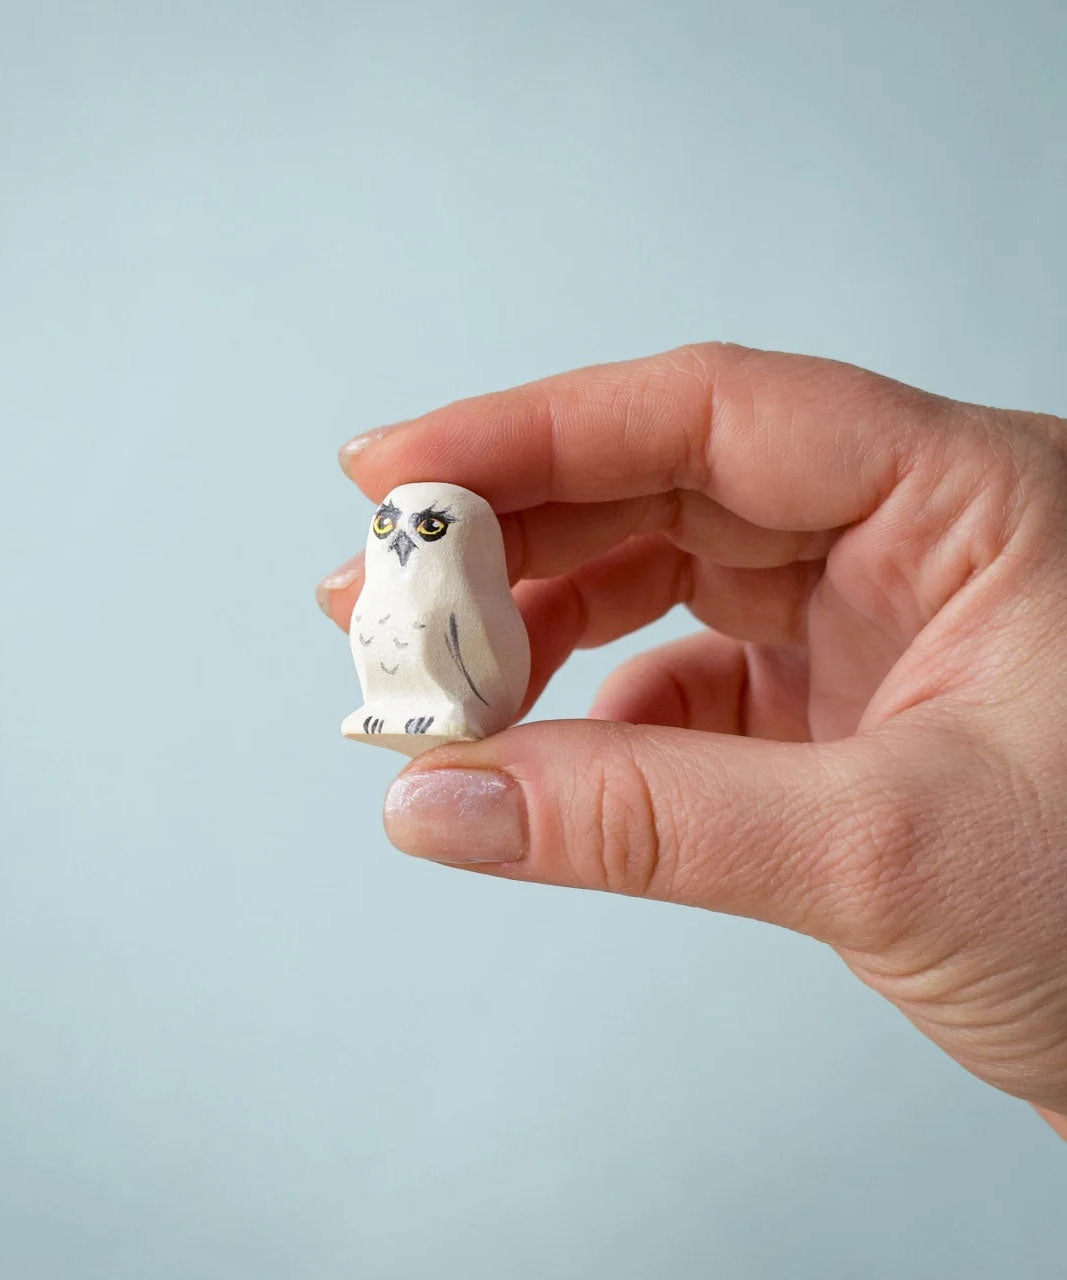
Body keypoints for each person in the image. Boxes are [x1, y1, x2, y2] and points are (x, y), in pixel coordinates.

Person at [316, 343, 1067, 1140]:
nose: (402, 540)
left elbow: (471, 655)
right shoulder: (389, 594)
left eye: (428, 528)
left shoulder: (471, 599)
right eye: (393, 525)